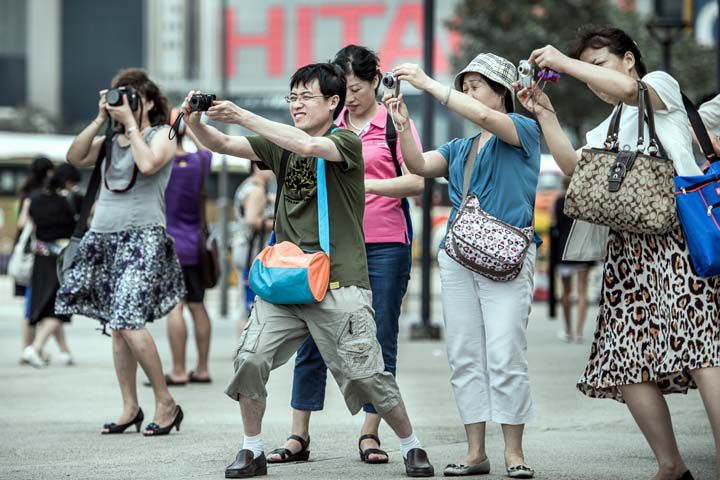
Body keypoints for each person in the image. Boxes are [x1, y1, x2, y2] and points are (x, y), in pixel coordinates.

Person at [182, 62, 435, 478]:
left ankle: (411, 445)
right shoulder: (278, 143)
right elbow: (224, 144)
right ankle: (252, 449)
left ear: (333, 102)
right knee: (249, 359)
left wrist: (242, 113)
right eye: (292, 97)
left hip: (338, 280)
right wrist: (194, 121)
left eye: (306, 97)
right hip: (287, 280)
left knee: (367, 372)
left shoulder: (347, 141)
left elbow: (310, 148)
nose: (296, 104)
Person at [517, 27, 720, 480]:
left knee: (705, 353)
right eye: (587, 71)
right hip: (627, 252)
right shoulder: (606, 126)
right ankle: (671, 466)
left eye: (599, 66)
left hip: (677, 241)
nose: (592, 79)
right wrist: (545, 114)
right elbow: (576, 170)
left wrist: (564, 62)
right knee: (625, 360)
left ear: (629, 60)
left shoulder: (657, 86)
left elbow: (629, 90)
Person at [385, 53, 541, 478]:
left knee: (506, 352)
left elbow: (484, 118)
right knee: (464, 355)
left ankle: (514, 452)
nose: (469, 94)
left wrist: (431, 84)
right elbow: (417, 165)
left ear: (501, 91)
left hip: (508, 257)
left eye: (477, 86)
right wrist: (401, 122)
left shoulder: (522, 130)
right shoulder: (460, 148)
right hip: (459, 258)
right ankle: (476, 452)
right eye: (465, 86)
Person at [267, 44, 424, 467]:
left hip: (384, 246)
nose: (350, 96)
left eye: (357, 87)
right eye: (344, 89)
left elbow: (417, 182)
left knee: (378, 337)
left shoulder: (392, 123)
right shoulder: (325, 125)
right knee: (311, 338)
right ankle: (299, 433)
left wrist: (364, 187)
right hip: (326, 248)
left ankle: (371, 432)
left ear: (376, 82)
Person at [57, 68, 185, 436]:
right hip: (104, 238)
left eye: (130, 97)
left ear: (146, 101)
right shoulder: (111, 142)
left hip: (143, 238)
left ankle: (165, 401)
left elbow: (147, 165)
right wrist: (100, 119)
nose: (122, 103)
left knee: (128, 319)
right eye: (118, 96)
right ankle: (130, 406)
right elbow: (73, 155)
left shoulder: (162, 135)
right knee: (117, 328)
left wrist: (131, 124)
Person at [156, 109, 214, 386]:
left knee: (175, 307)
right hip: (196, 246)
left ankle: (178, 370)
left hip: (169, 245)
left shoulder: (162, 165)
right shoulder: (198, 162)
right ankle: (202, 368)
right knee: (197, 305)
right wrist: (188, 127)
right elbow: (208, 150)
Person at [19, 165, 78, 368]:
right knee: (58, 308)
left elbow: (23, 223)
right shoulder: (69, 201)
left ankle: (64, 351)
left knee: (46, 304)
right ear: (68, 181)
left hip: (40, 258)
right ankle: (34, 348)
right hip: (61, 260)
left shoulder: (33, 198)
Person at [15, 156, 54, 364]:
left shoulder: (25, 193)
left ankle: (33, 348)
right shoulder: (40, 196)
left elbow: (19, 222)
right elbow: (24, 221)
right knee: (34, 304)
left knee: (33, 304)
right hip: (35, 254)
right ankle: (29, 348)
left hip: (24, 253)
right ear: (48, 172)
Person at [232, 164, 275, 332]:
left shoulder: (249, 185)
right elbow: (251, 220)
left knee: (245, 301)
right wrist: (277, 225)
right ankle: (244, 349)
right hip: (251, 251)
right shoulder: (256, 190)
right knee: (248, 304)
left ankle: (243, 348)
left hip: (244, 247)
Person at [551, 176, 593, 344]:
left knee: (566, 293)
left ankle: (568, 330)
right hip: (582, 249)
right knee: (583, 291)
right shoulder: (584, 200)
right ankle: (579, 332)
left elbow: (554, 224)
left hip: (564, 250)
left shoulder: (559, 201)